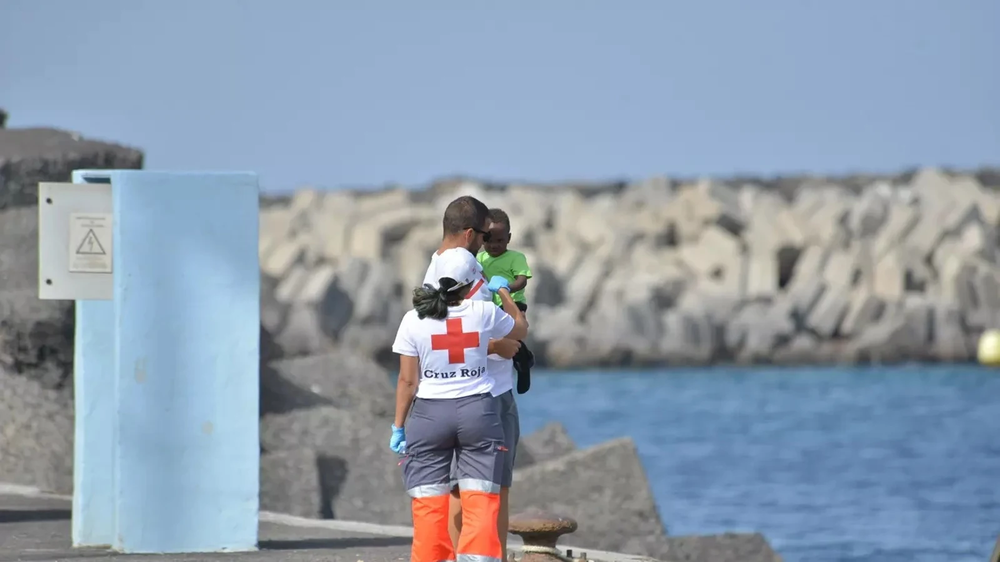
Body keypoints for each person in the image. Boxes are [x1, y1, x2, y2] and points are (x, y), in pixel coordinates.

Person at [390, 248, 529, 562]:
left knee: (428, 506)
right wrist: (504, 293)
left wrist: (398, 426)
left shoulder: (413, 320)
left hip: (428, 417)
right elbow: (520, 328)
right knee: (480, 501)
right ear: (470, 286)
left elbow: (407, 383)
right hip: (478, 413)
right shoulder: (482, 313)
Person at [422, 196, 523, 560]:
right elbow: (476, 328)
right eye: (484, 235)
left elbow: (438, 331)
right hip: (487, 391)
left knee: (456, 489)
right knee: (494, 488)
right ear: (468, 234)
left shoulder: (433, 267)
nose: (486, 244)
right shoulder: (464, 264)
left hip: (446, 392)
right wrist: (501, 345)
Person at [477, 208, 535, 394]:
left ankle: (523, 361)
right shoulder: (479, 257)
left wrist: (507, 288)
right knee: (498, 339)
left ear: (508, 238)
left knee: (512, 333)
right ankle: (519, 360)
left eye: (499, 241)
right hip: (490, 304)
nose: (494, 245)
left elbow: (522, 279)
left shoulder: (516, 257)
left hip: (512, 302)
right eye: (488, 240)